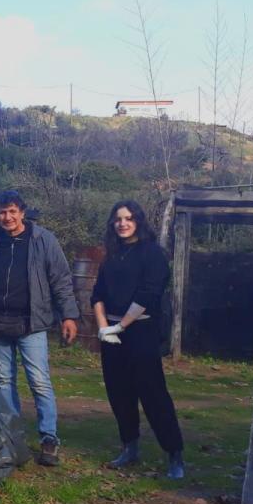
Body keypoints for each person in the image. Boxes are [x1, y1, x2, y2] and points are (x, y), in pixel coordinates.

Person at [0, 190, 78, 467]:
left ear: (22, 213)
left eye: (13, 211)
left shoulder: (43, 240)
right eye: (2, 212)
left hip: (32, 324)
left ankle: (49, 439)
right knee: (4, 382)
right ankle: (12, 438)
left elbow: (61, 280)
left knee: (39, 382)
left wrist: (69, 316)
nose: (8, 217)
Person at [91, 200, 185, 479]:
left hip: (140, 331)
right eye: (118, 219)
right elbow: (97, 295)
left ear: (139, 222)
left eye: (129, 218)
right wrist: (103, 328)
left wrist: (120, 326)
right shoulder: (111, 256)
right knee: (119, 393)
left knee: (153, 394)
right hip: (111, 334)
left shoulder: (152, 253)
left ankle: (174, 454)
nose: (123, 223)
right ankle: (130, 447)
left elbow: (147, 295)